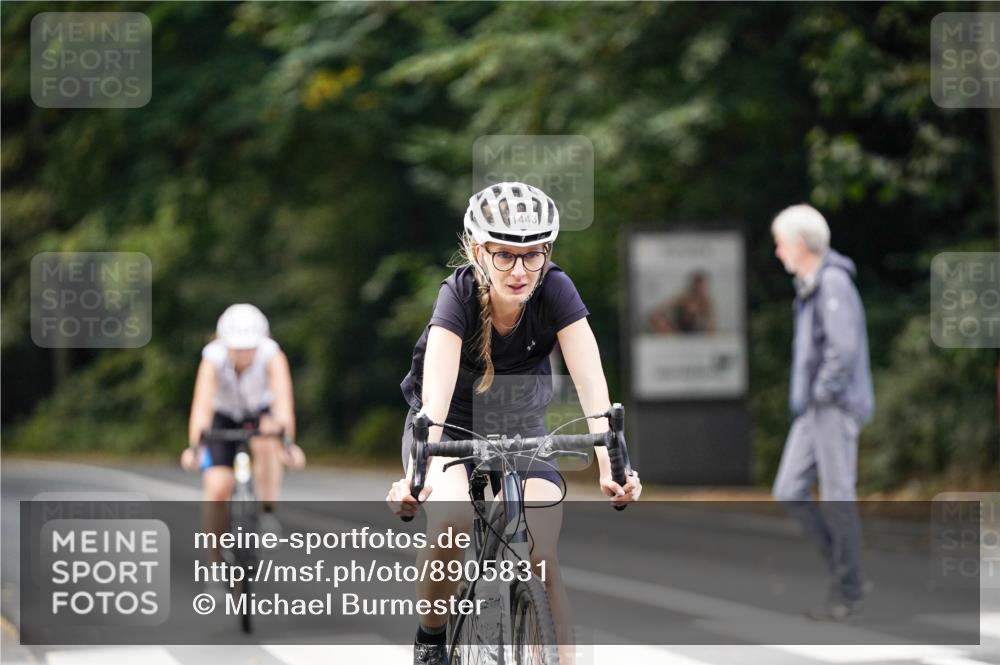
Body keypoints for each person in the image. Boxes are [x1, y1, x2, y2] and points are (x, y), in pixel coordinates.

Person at [386, 182, 641, 665]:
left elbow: (593, 386)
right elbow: (435, 401)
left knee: (542, 555)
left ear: (547, 254)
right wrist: (416, 479)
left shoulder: (556, 289)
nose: (520, 271)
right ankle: (431, 639)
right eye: (504, 255)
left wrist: (613, 467)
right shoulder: (457, 296)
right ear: (478, 251)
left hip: (521, 426)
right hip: (451, 428)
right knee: (453, 522)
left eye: (533, 255)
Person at [770, 204, 875, 621]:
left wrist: (820, 393)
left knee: (837, 497)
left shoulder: (832, 282)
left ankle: (848, 589)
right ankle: (847, 573)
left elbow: (842, 351)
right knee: (789, 489)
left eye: (781, 243)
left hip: (831, 407)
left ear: (799, 244)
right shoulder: (813, 284)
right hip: (815, 410)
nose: (778, 252)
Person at [181, 304, 305, 582]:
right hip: (223, 416)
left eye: (249, 348)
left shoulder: (272, 355)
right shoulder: (212, 358)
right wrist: (195, 447)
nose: (244, 354)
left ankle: (267, 510)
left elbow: (284, 404)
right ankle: (215, 566)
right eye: (237, 348)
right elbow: (202, 405)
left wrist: (287, 443)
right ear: (224, 344)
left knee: (267, 440)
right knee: (216, 488)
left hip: (259, 414)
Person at [648, 269, 717, 334]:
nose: (699, 288)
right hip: (677, 331)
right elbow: (663, 308)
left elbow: (711, 323)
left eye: (701, 286)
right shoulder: (683, 298)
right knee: (655, 317)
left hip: (695, 333)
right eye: (697, 285)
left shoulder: (706, 302)